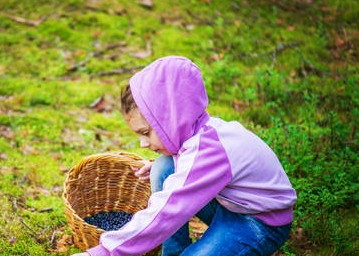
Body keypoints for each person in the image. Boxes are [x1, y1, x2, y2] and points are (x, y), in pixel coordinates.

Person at [71, 56, 297, 256]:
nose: (142, 143)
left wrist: (106, 251)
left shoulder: (211, 151)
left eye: (146, 133)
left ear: (172, 119)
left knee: (170, 191)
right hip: (230, 205)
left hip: (260, 222)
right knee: (163, 167)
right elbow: (191, 164)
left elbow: (167, 211)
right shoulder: (198, 132)